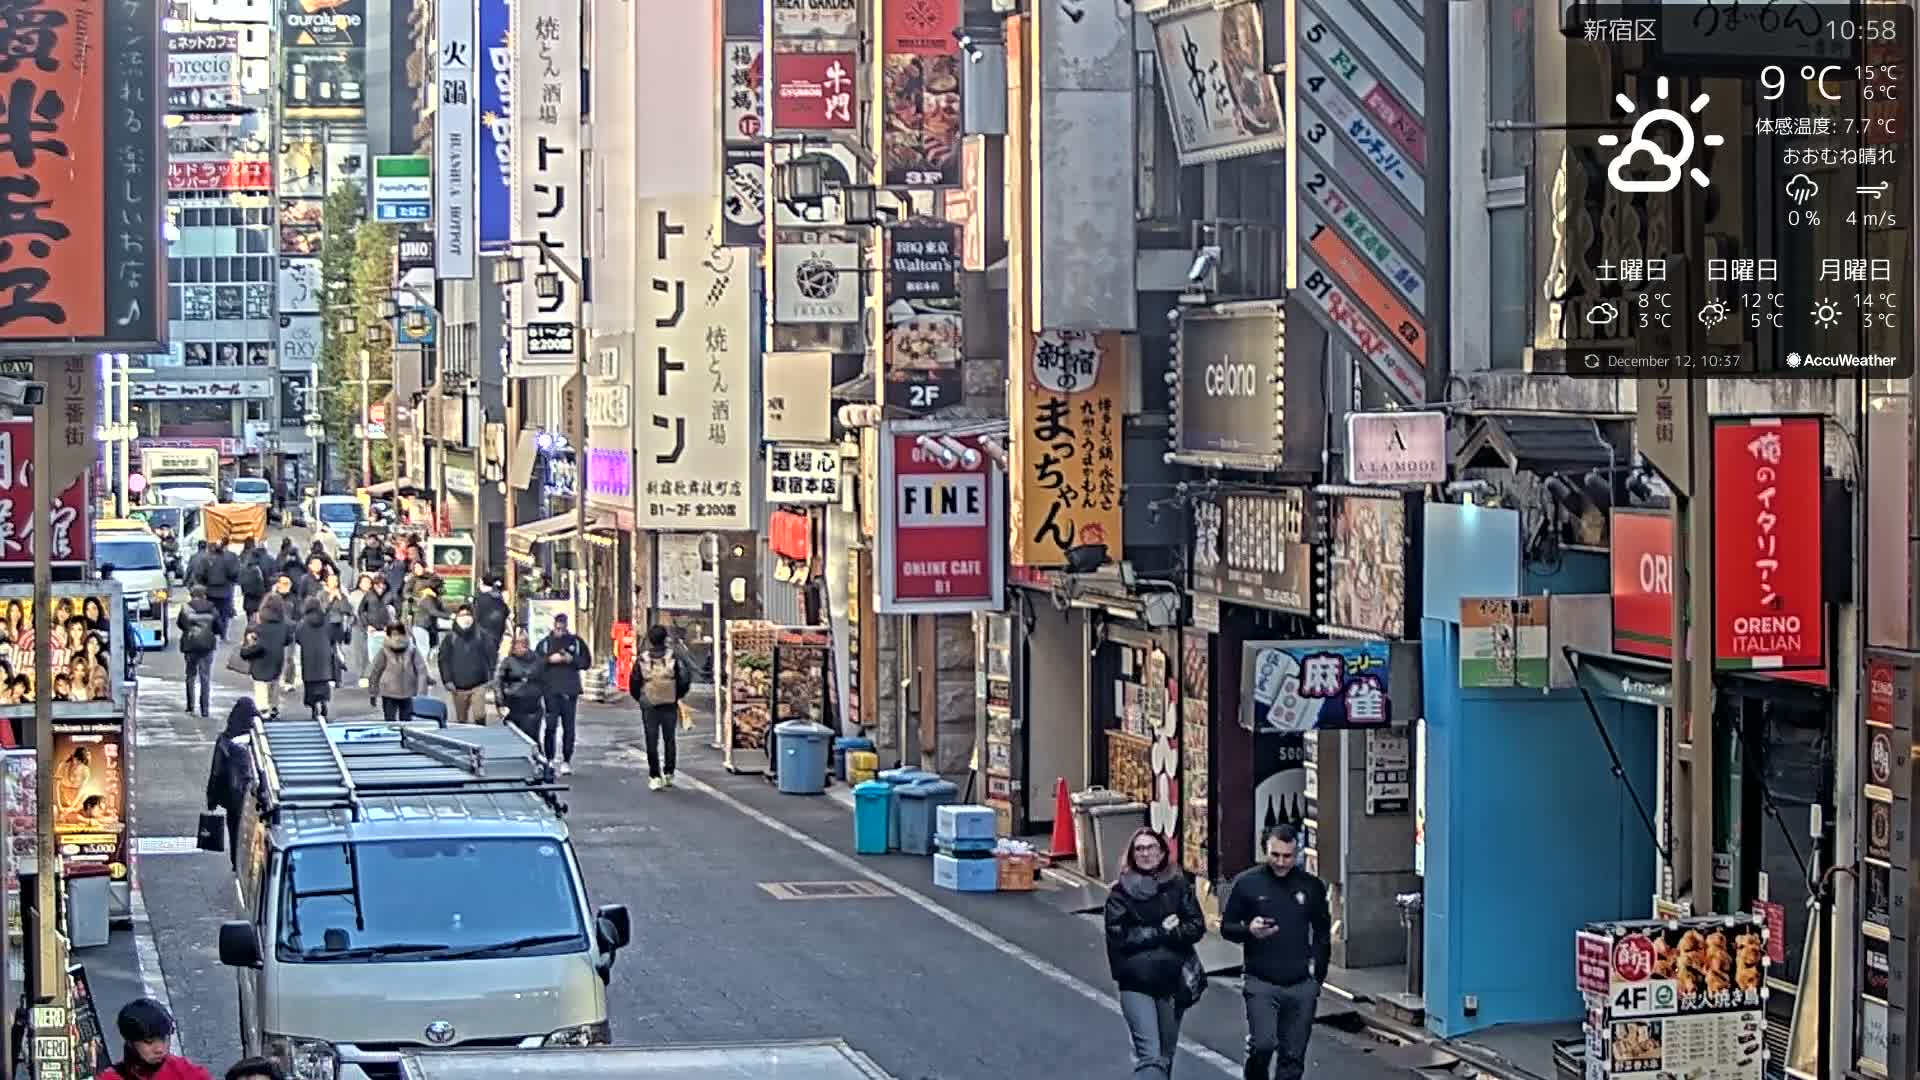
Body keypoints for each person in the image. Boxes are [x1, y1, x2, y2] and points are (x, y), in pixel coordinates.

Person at [1221, 823, 1332, 1080]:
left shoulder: (1311, 887)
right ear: (1266, 850)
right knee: (1263, 1044)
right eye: (1275, 855)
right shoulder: (1248, 883)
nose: (1281, 862)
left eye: (1288, 856)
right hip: (1261, 980)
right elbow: (1227, 926)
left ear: (1297, 854)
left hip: (1301, 983)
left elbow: (1322, 932)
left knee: (1293, 1057)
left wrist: (1317, 977)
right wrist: (1249, 929)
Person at [1104, 827, 1206, 1080]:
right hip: (1136, 981)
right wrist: (1159, 931)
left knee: (1165, 1056)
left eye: (1151, 848)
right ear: (1131, 855)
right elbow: (1120, 937)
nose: (1145, 853)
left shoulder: (1178, 885)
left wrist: (1175, 932)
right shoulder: (1120, 893)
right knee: (1150, 1058)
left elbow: (1196, 925)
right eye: (1139, 849)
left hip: (1172, 981)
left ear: (1162, 852)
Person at [630, 625, 693, 790]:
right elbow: (684, 679)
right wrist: (676, 695)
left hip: (649, 704)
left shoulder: (642, 658)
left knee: (651, 740)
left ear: (650, 639)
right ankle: (669, 773)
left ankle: (654, 775)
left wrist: (642, 698)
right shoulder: (673, 656)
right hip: (669, 703)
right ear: (665, 638)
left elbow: (634, 683)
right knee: (669, 738)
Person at [98, 998, 214, 1080]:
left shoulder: (188, 1074)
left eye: (164, 1038)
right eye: (149, 1042)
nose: (160, 1049)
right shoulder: (110, 1077)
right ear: (130, 1042)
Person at [533, 614, 591, 774]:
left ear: (566, 626)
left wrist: (571, 659)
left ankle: (566, 760)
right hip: (550, 690)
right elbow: (536, 664)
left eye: (562, 627)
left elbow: (586, 663)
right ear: (553, 626)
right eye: (557, 627)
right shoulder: (544, 644)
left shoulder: (576, 642)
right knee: (550, 726)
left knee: (569, 727)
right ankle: (550, 759)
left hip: (570, 690)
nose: (560, 630)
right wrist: (549, 660)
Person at [205, 699, 258, 871]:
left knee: (234, 829)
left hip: (232, 797)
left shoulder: (224, 740)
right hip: (253, 797)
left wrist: (211, 798)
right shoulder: (258, 739)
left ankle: (236, 863)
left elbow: (216, 771)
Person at [437, 604, 494, 725]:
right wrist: (447, 680)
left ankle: (481, 737)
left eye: (468, 615)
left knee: (479, 715)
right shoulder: (450, 638)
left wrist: (491, 677)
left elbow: (491, 656)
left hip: (479, 684)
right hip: (458, 687)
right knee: (461, 720)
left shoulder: (482, 635)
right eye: (462, 615)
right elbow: (443, 660)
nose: (465, 618)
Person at [238, 595, 292, 715]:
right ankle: (273, 706)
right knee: (274, 682)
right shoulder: (284, 622)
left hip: (260, 657)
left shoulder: (258, 620)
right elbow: (288, 639)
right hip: (277, 656)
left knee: (260, 683)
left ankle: (262, 708)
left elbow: (249, 634)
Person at [367, 622, 428, 724]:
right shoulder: (384, 651)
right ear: (389, 636)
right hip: (389, 692)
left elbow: (421, 670)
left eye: (399, 634)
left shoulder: (412, 650)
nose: (397, 638)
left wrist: (421, 693)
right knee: (390, 722)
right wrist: (373, 692)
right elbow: (375, 671)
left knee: (407, 723)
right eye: (394, 634)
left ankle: (405, 739)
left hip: (408, 692)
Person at [176, 586, 221, 718]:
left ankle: (190, 707)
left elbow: (180, 624)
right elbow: (218, 627)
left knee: (190, 675)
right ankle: (205, 709)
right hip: (207, 645)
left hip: (190, 644)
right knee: (205, 677)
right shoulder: (212, 608)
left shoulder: (186, 608)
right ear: (204, 595)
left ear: (191, 595)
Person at [494, 630, 545, 744]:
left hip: (533, 705)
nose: (519, 647)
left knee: (532, 738)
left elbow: (545, 680)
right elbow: (498, 681)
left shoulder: (537, 661)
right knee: (515, 737)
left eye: (522, 644)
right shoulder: (508, 662)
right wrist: (500, 702)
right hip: (514, 704)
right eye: (517, 644)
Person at [294, 600, 338, 720]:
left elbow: (297, 638)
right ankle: (323, 702)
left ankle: (314, 707)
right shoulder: (326, 622)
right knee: (323, 683)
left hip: (308, 657)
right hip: (324, 658)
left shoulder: (302, 624)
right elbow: (333, 637)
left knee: (310, 684)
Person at [203, 541, 241, 639]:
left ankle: (212, 632)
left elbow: (202, 574)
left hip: (210, 590)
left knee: (211, 612)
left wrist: (205, 584)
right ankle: (223, 634)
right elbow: (233, 573)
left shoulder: (207, 559)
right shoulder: (227, 560)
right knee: (224, 614)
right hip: (224, 590)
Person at [470, 574, 509, 655]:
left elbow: (476, 617)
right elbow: (506, 612)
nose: (478, 585)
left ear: (483, 584)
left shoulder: (482, 598)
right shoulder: (498, 597)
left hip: (484, 636)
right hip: (497, 635)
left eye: (479, 582)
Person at [238, 539, 270, 622]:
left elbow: (241, 582)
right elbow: (264, 586)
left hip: (248, 602)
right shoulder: (259, 569)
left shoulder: (244, 568)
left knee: (250, 623)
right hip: (258, 602)